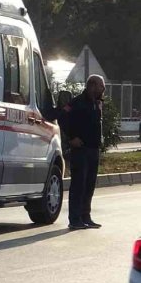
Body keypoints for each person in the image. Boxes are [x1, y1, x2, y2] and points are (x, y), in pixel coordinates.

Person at [64, 74, 106, 230]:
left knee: (89, 185)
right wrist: (71, 138)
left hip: (93, 149)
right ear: (92, 85)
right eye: (101, 86)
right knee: (79, 185)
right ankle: (75, 219)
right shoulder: (77, 102)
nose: (103, 89)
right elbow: (63, 119)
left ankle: (85, 216)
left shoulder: (97, 103)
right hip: (80, 150)